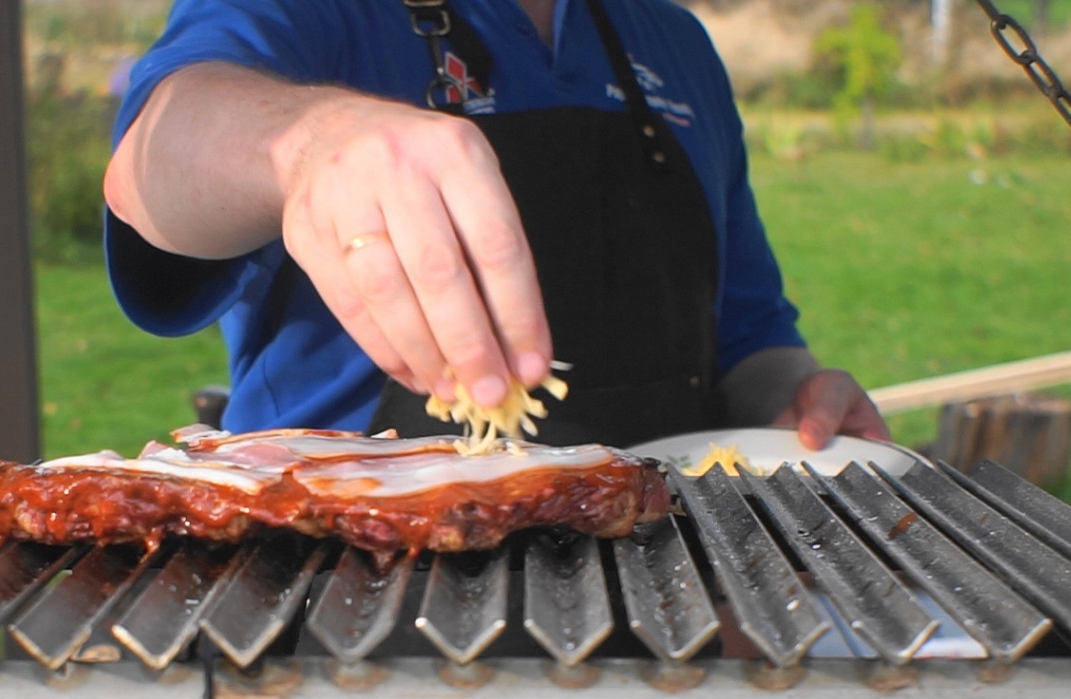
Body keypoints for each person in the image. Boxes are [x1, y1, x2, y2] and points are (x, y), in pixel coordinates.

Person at [103, 0, 890, 450]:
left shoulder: (673, 41)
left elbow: (750, 336)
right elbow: (151, 163)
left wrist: (793, 399)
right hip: (338, 610)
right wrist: (303, 143)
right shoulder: (309, 11)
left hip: (660, 611)